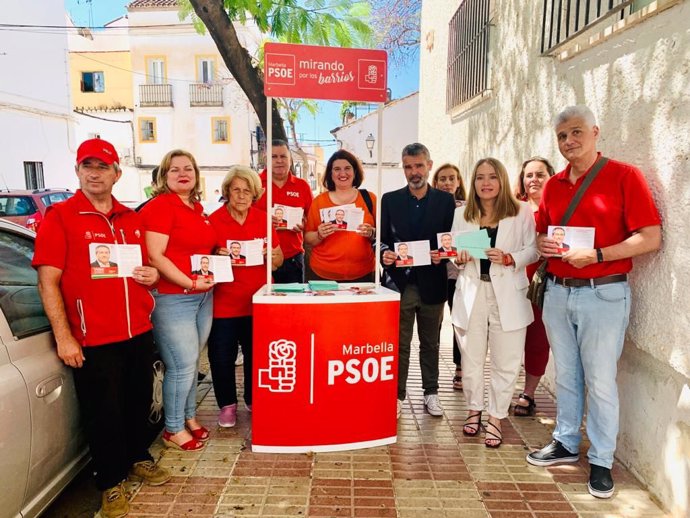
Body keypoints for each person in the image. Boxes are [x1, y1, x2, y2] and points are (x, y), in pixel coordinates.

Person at [527, 106, 661, 499]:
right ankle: (566, 441)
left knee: (601, 380)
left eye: (576, 133)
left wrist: (599, 255)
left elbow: (650, 237)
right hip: (557, 291)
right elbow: (540, 235)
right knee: (567, 374)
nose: (569, 142)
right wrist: (544, 244)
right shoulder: (552, 186)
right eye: (562, 136)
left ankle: (602, 460)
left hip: (604, 292)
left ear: (595, 132)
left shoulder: (624, 176)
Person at [33, 138, 170, 518]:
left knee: (138, 402)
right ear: (77, 171)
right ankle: (110, 482)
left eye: (103, 167)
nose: (95, 173)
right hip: (93, 338)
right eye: (87, 166)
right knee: (102, 412)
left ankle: (138, 457)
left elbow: (147, 273)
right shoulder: (59, 217)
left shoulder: (132, 219)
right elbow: (48, 282)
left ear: (116, 173)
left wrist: (152, 275)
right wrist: (64, 336)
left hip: (138, 331)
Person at [451, 157, 538, 448]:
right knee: (471, 358)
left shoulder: (521, 211)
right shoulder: (463, 213)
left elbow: (533, 248)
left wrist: (512, 258)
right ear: (473, 182)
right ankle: (474, 410)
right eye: (479, 177)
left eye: (492, 177)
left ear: (501, 180)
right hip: (471, 292)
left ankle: (496, 417)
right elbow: (453, 248)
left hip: (509, 294)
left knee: (507, 361)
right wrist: (458, 256)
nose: (485, 183)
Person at [139, 149, 216, 452]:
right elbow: (155, 255)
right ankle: (172, 429)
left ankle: (188, 417)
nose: (182, 174)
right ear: (163, 176)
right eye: (174, 170)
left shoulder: (196, 208)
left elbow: (197, 250)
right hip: (174, 298)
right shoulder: (160, 207)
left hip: (201, 297)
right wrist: (189, 282)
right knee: (181, 365)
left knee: (192, 362)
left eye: (188, 169)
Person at [380, 143, 455, 418]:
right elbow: (381, 240)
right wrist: (385, 254)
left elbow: (452, 241)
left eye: (419, 165)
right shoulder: (389, 199)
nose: (414, 172)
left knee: (431, 343)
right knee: (398, 343)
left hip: (433, 283)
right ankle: (396, 395)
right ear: (403, 168)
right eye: (409, 166)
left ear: (429, 165)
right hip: (399, 284)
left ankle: (431, 393)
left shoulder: (446, 201)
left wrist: (443, 256)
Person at [208, 165, 283, 427]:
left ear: (255, 195)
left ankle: (254, 398)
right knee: (221, 357)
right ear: (227, 191)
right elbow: (202, 263)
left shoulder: (263, 219)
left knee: (257, 354)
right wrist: (214, 258)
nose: (241, 196)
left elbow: (278, 260)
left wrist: (272, 256)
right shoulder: (213, 220)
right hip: (224, 302)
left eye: (247, 191)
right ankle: (227, 405)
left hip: (259, 301)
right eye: (236, 190)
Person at [512, 156, 556, 416]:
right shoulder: (515, 210)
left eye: (540, 174)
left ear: (551, 177)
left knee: (537, 340)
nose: (534, 179)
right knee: (510, 336)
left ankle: (528, 393)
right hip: (514, 282)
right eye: (529, 175)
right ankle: (505, 388)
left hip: (543, 285)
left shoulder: (559, 209)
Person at [304, 149, 376, 282]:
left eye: (347, 168)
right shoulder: (319, 201)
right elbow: (308, 238)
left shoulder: (370, 199)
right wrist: (319, 235)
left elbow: (383, 234)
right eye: (337, 169)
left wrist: (371, 232)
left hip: (363, 273)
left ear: (355, 172)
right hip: (323, 274)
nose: (342, 173)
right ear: (331, 174)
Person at [255, 140, 313, 283]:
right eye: (274, 157)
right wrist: (263, 222)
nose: (279, 161)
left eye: (283, 156)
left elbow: (313, 219)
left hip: (293, 258)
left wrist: (304, 226)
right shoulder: (254, 184)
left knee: (292, 304)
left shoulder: (302, 186)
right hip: (261, 257)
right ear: (265, 159)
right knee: (263, 303)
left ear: (290, 159)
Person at [432, 163, 467, 391]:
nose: (446, 183)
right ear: (435, 183)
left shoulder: (467, 208)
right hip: (434, 272)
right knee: (433, 324)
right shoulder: (430, 206)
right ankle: (431, 368)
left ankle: (460, 367)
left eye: (451, 179)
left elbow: (475, 239)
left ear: (458, 182)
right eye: (442, 179)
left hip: (457, 274)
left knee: (459, 322)